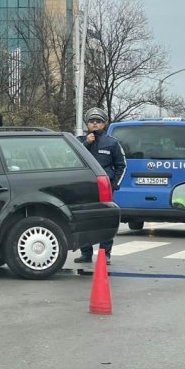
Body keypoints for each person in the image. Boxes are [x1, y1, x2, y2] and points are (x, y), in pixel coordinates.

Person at [75, 107, 126, 271]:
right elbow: (72, 159)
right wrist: (86, 143)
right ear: (87, 124)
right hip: (85, 188)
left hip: (105, 189)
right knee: (84, 220)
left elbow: (121, 165)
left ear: (104, 124)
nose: (95, 124)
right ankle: (86, 253)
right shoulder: (79, 141)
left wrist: (113, 185)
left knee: (105, 220)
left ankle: (105, 253)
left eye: (98, 121)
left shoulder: (112, 142)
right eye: (91, 121)